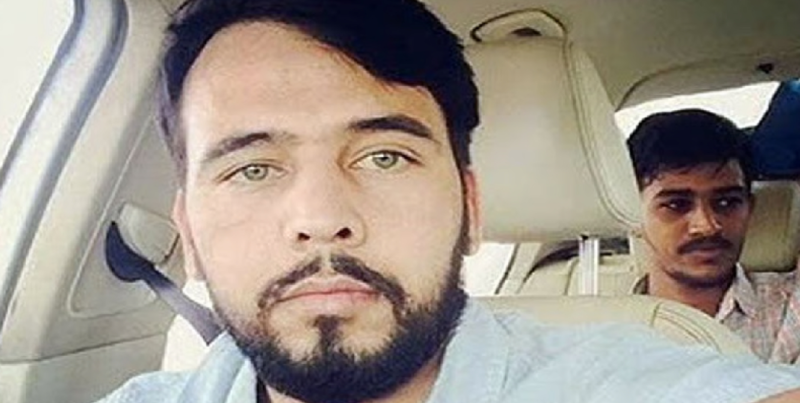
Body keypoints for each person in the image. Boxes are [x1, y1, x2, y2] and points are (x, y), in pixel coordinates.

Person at [97, 0, 800, 402]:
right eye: (252, 169)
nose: (320, 218)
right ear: (188, 231)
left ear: (471, 207)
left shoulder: (609, 378)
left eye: (384, 156)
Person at [628, 108, 800, 364]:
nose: (707, 226)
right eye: (676, 205)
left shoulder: (791, 310)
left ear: (750, 207)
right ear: (631, 213)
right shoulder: (596, 325)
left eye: (727, 202)